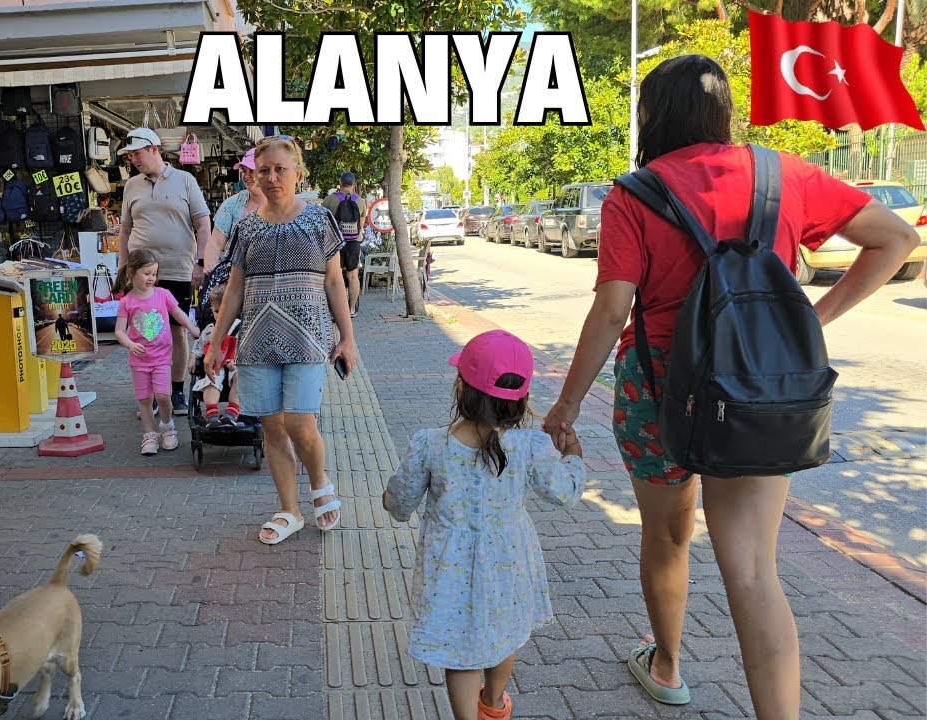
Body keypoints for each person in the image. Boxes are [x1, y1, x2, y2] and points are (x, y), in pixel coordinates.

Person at [540, 55, 919, 718]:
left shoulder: (635, 194)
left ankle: (666, 667)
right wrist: (810, 322)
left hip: (655, 391)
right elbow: (895, 239)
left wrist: (566, 405)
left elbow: (611, 309)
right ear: (722, 113)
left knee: (667, 536)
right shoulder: (785, 174)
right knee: (752, 571)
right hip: (757, 391)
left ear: (651, 116)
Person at [384, 329, 584, 720]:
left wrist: (389, 501)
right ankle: (492, 705)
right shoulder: (531, 447)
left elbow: (400, 502)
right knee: (503, 634)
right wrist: (573, 453)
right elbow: (565, 492)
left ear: (461, 387)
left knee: (460, 652)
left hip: (449, 571)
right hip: (509, 566)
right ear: (521, 399)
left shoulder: (431, 444)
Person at [203, 136, 358, 545]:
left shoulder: (319, 220)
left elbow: (334, 282)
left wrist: (348, 338)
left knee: (300, 424)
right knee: (272, 428)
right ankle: (290, 510)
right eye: (264, 170)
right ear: (254, 176)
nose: (272, 177)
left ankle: (319, 481)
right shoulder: (247, 227)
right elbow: (235, 289)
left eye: (280, 169)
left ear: (297, 173)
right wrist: (215, 342)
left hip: (307, 340)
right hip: (257, 342)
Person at [117, 128, 212, 417]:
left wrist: (201, 262)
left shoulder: (185, 180)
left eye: (137, 153)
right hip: (139, 271)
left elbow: (203, 224)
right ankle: (150, 393)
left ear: (154, 149)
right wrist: (122, 267)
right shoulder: (131, 185)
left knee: (176, 330)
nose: (133, 159)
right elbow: (125, 229)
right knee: (142, 331)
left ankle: (175, 389)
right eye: (129, 155)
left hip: (176, 268)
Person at [114, 248, 202, 455]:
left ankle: (167, 427)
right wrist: (130, 344)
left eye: (154, 274)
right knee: (144, 399)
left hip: (162, 357)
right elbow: (119, 331)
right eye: (146, 273)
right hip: (139, 361)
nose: (151, 278)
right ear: (132, 273)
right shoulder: (126, 302)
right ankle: (149, 435)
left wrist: (191, 328)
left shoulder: (163, 294)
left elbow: (178, 313)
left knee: (163, 396)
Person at [191, 284, 241, 429]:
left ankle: (232, 411)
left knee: (241, 377)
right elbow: (199, 344)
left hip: (234, 366)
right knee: (211, 380)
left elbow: (246, 348)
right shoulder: (210, 329)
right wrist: (193, 357)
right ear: (211, 310)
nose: (221, 315)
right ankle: (212, 413)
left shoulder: (241, 328)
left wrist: (237, 361)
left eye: (225, 311)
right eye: (217, 311)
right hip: (215, 367)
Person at [320, 172, 367, 317]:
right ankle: (351, 309)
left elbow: (322, 221)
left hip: (335, 243)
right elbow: (361, 225)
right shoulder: (360, 201)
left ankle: (336, 311)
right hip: (353, 242)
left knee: (336, 276)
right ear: (354, 184)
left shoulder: (329, 200)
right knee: (353, 276)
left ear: (340, 184)